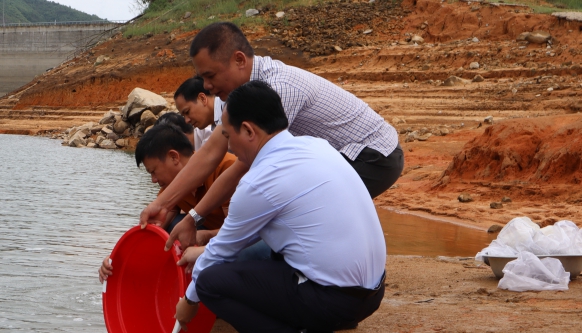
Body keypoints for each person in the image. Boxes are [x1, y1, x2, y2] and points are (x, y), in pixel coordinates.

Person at [173, 81, 386, 333]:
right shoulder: (315, 146)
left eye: (227, 134)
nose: (228, 145)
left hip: (337, 302)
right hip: (372, 291)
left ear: (248, 131)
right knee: (277, 250)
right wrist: (209, 239)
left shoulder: (258, 182)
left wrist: (188, 302)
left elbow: (221, 255)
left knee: (210, 282)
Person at [140, 21, 403, 252]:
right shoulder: (243, 97)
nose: (206, 86)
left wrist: (194, 216)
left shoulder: (276, 89)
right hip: (338, 156)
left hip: (371, 154)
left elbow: (243, 166)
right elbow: (210, 153)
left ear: (240, 60)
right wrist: (161, 204)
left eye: (210, 76)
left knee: (285, 213)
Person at [98, 123, 237, 282]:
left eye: (154, 172)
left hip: (245, 241)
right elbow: (153, 232)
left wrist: (206, 236)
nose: (153, 180)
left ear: (174, 157)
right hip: (212, 240)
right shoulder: (171, 188)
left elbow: (242, 232)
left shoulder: (226, 168)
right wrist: (118, 257)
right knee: (172, 228)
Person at [173, 77, 224, 150]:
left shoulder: (229, 111)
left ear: (202, 98)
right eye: (183, 116)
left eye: (187, 112)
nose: (186, 120)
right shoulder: (216, 123)